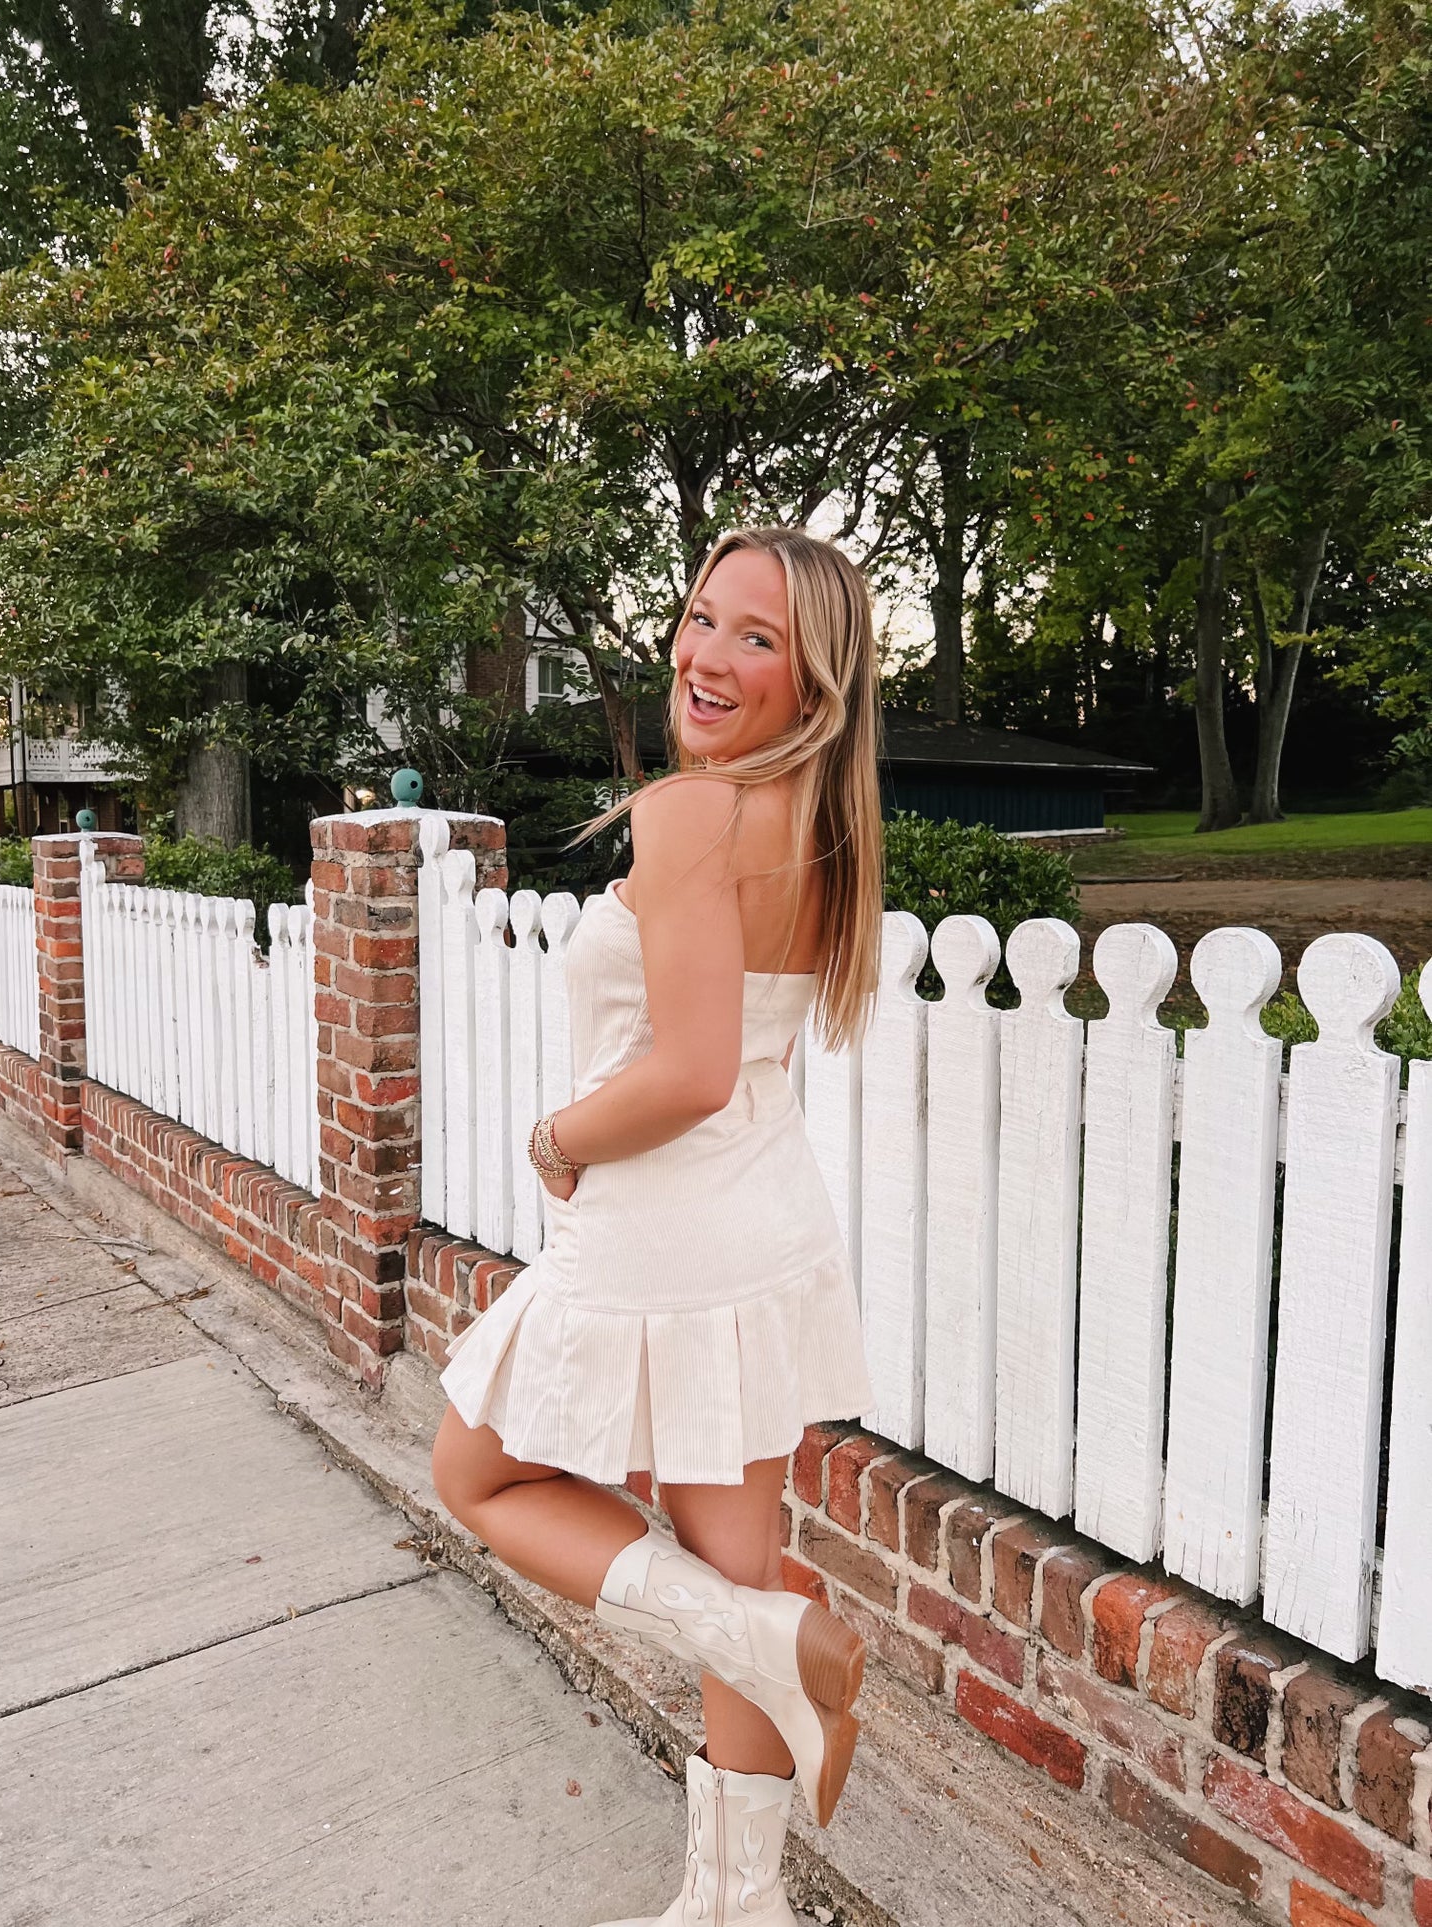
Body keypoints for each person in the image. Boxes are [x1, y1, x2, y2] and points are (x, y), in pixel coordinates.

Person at [430, 525, 884, 1925]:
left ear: (814, 683)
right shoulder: (820, 825)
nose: (707, 655)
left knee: (478, 1478)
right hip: (762, 1227)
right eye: (701, 618)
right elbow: (756, 1058)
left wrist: (553, 1139)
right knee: (734, 1554)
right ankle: (738, 1905)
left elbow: (684, 1072)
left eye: (758, 639)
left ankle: (767, 1639)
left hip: (663, 1231)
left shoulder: (694, 814)